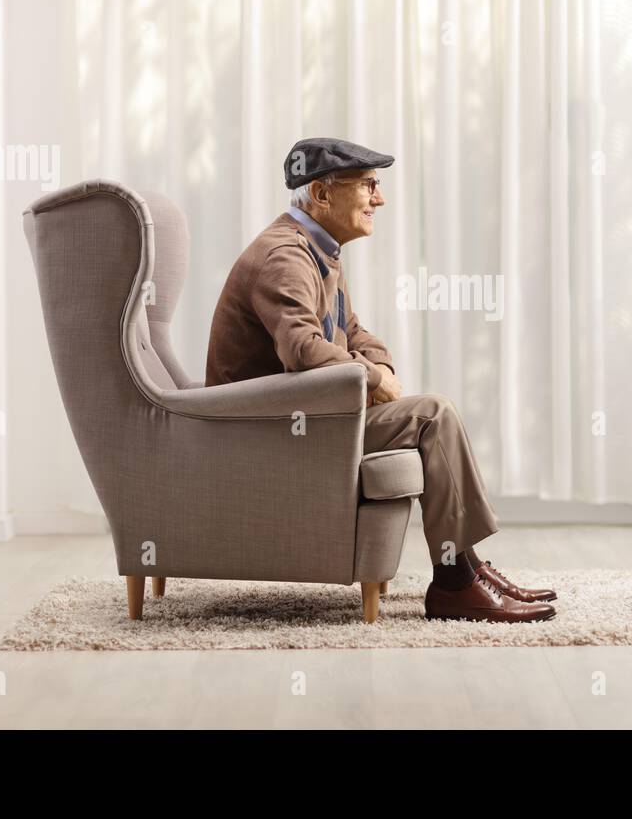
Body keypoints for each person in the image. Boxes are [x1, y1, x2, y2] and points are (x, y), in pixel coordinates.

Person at [206, 137, 556, 622]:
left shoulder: (317, 250)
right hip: (270, 438)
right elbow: (303, 349)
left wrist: (380, 369)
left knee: (431, 412)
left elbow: (352, 331)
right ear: (323, 195)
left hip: (301, 422)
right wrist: (373, 379)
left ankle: (469, 570)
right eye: (369, 185)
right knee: (433, 414)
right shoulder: (284, 257)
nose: (380, 198)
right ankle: (456, 582)